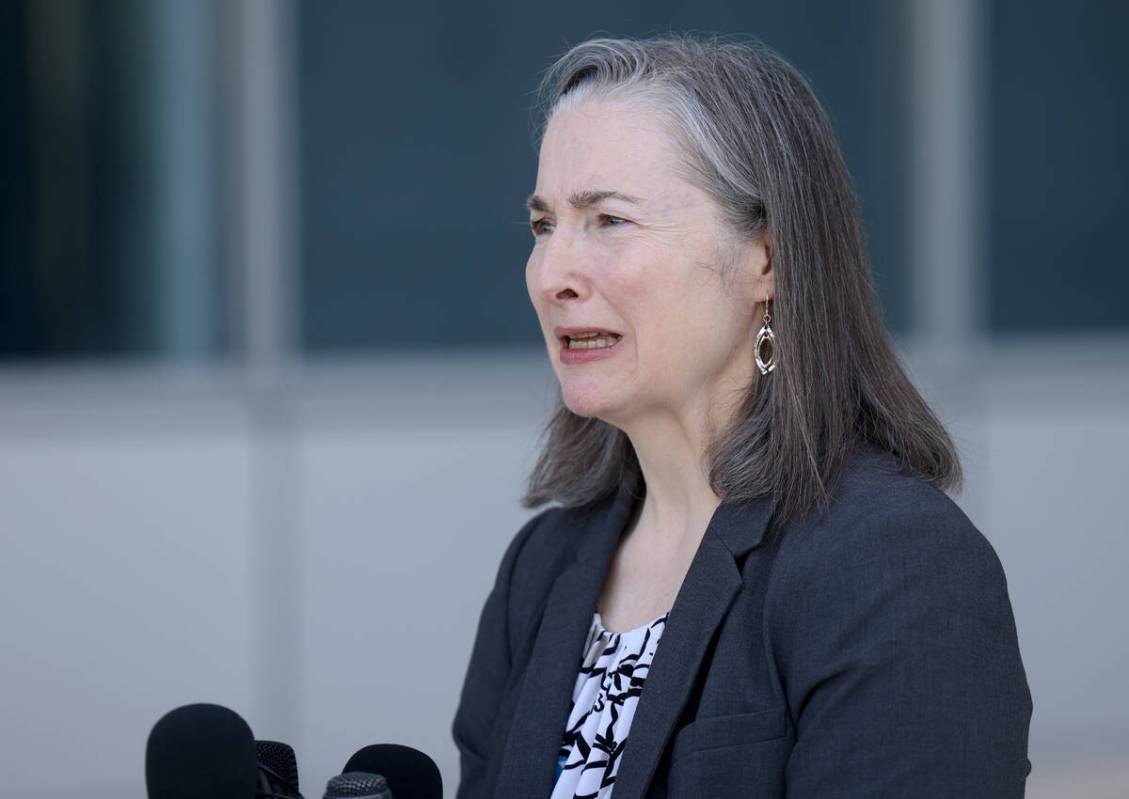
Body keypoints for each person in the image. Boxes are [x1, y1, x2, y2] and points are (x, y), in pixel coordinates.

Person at [452, 34, 1032, 799]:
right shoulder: (543, 567)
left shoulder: (894, 565)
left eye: (608, 221)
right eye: (543, 226)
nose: (552, 273)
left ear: (766, 258)